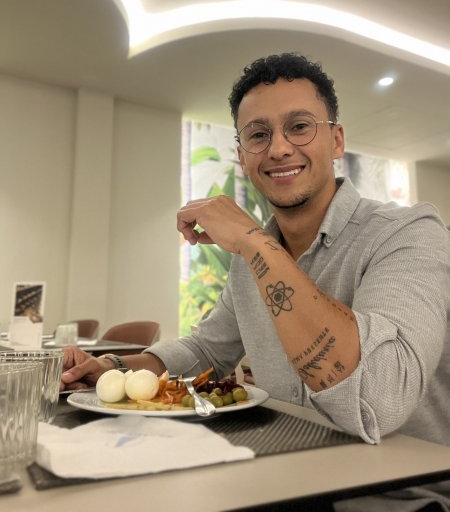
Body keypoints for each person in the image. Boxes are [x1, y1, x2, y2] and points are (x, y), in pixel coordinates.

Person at [62, 53, 450, 510]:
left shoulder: (409, 233)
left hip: (403, 497)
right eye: (258, 135)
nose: (279, 148)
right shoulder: (250, 260)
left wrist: (253, 241)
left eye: (300, 126)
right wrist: (116, 368)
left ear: (337, 140)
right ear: (242, 156)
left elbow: (377, 404)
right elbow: (208, 350)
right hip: (282, 475)